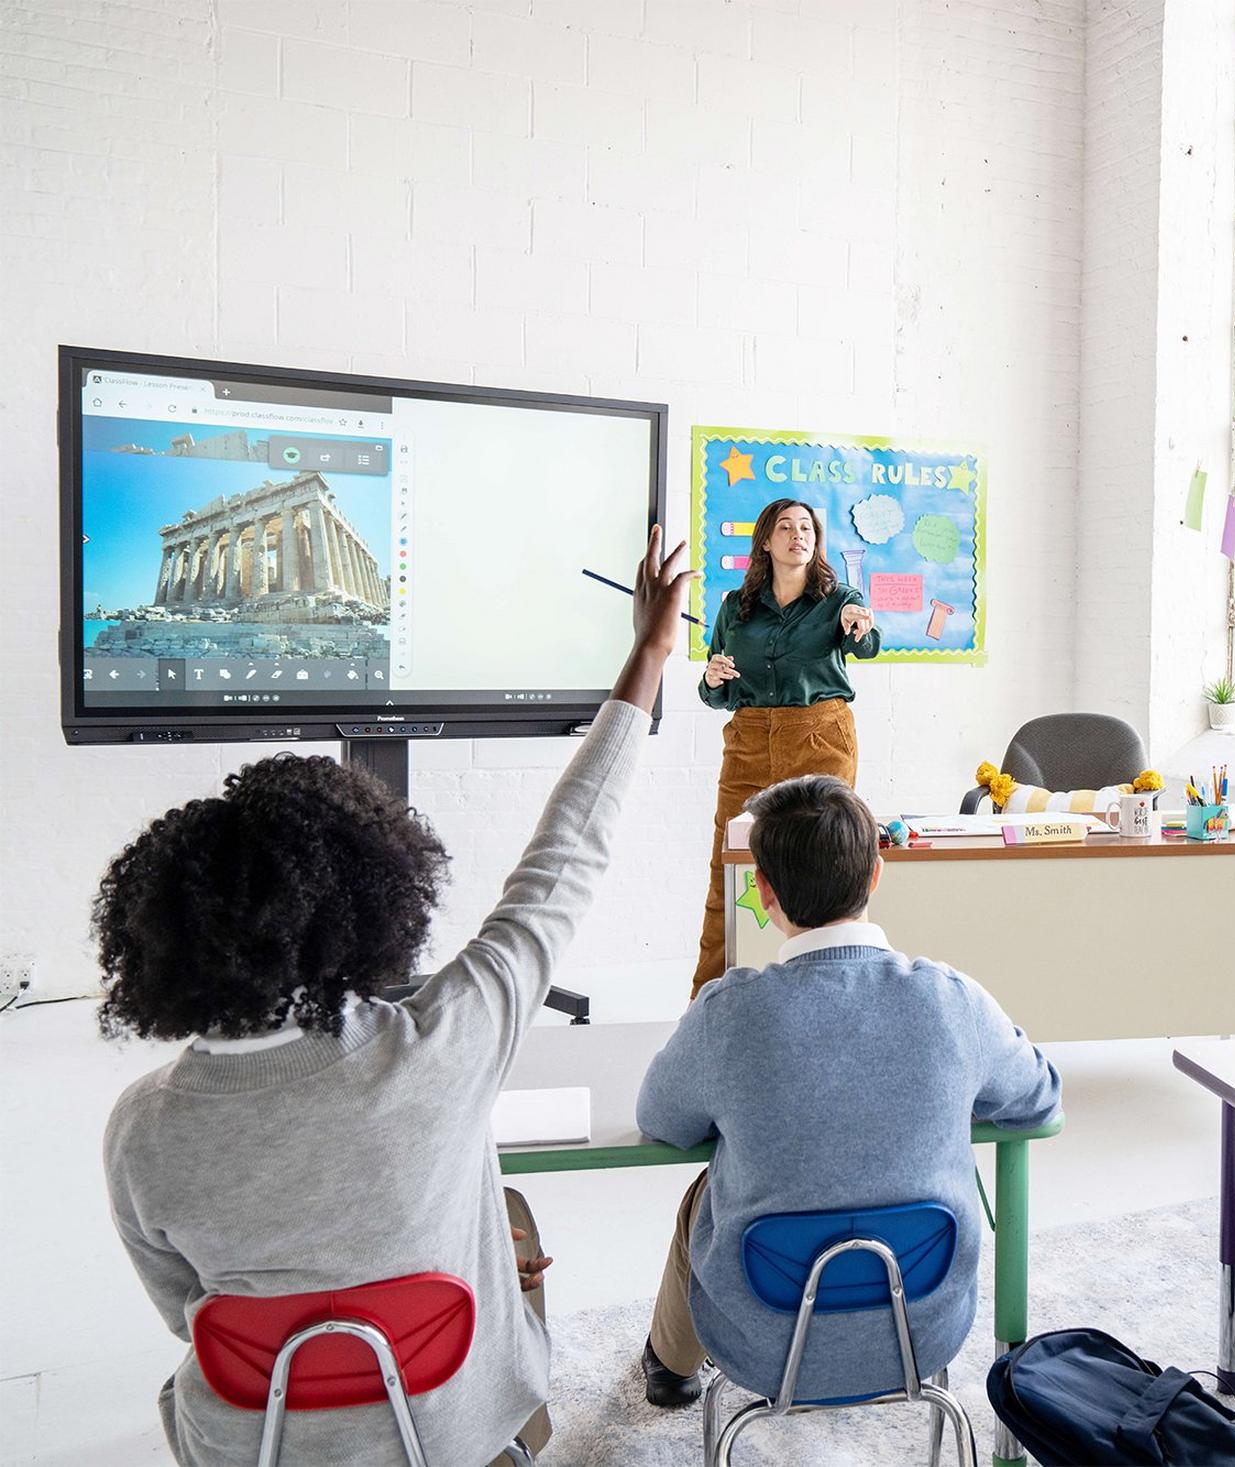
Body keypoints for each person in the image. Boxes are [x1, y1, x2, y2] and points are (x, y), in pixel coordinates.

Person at [99, 527, 695, 1467]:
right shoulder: (442, 1043)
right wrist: (651, 652)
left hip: (254, 1447)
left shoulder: (141, 1129)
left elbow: (189, 1311)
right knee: (508, 1222)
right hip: (450, 1433)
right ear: (370, 902)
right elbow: (566, 858)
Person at [636, 774, 1062, 1408]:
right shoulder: (952, 1000)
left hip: (764, 1342)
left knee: (708, 1193)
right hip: (924, 1332)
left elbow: (660, 1120)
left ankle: (670, 1368)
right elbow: (1039, 1097)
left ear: (764, 890)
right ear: (876, 876)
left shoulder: (728, 1014)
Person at [689, 497, 881, 999]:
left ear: (816, 541)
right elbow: (718, 690)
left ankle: (834, 995)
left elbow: (866, 641)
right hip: (748, 743)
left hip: (821, 740)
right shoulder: (736, 607)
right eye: (785, 527)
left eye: (806, 528)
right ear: (766, 541)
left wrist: (860, 627)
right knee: (727, 872)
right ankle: (707, 1003)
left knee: (828, 870)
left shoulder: (840, 600)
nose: (798, 535)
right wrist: (712, 679)